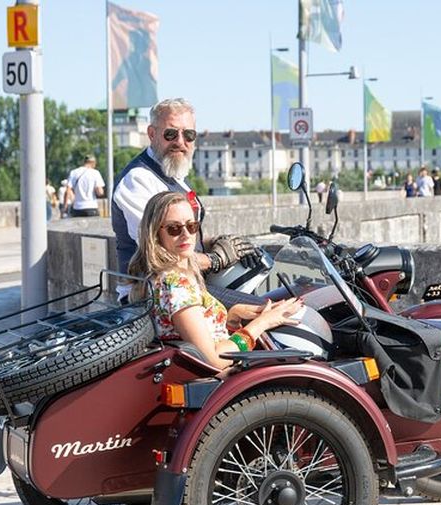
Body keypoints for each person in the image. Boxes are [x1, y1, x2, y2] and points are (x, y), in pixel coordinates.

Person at [128, 191, 304, 370]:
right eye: (174, 228)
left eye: (192, 226)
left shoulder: (163, 276)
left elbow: (188, 331)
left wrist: (233, 314)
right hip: (213, 374)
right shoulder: (176, 285)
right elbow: (214, 358)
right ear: (155, 235)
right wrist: (264, 322)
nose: (186, 235)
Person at [112, 98, 255, 301]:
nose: (180, 142)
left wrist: (216, 241)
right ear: (152, 134)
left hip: (184, 286)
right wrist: (215, 259)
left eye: (189, 135)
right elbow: (159, 253)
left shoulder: (175, 175)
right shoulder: (138, 180)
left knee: (275, 305)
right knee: (265, 312)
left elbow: (179, 235)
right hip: (152, 295)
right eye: (171, 133)